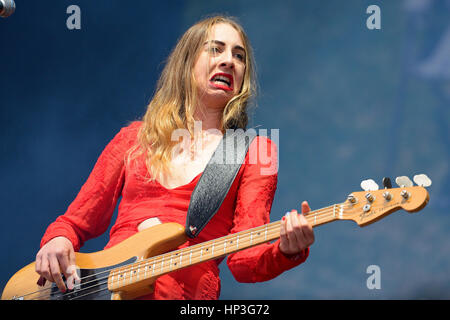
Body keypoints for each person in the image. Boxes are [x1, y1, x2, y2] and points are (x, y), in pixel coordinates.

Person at [34, 15, 314, 300]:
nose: (229, 61)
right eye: (215, 49)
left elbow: (245, 262)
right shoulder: (134, 139)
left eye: (239, 56)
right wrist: (59, 239)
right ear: (186, 63)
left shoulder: (254, 150)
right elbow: (76, 221)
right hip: (110, 290)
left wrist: (287, 250)